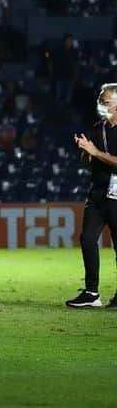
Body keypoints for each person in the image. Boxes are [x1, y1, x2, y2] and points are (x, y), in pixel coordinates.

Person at [66, 84, 117, 309]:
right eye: (100, 102)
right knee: (87, 238)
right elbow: (87, 160)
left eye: (105, 102)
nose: (101, 106)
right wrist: (85, 151)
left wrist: (95, 152)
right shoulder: (98, 128)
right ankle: (91, 292)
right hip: (97, 193)